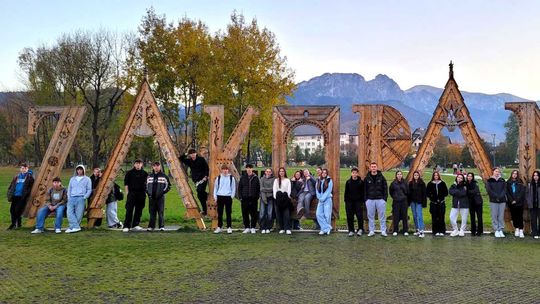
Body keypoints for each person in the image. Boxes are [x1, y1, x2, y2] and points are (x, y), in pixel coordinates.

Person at [181, 148, 210, 216]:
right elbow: (181, 158)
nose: (193, 155)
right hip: (196, 180)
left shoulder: (201, 159)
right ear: (190, 155)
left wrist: (206, 176)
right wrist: (186, 153)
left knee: (200, 191)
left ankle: (207, 197)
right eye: (191, 154)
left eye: (194, 154)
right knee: (200, 196)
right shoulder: (189, 161)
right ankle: (205, 209)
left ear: (196, 153)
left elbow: (206, 168)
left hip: (203, 178)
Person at [123, 159, 148, 232]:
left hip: (141, 194)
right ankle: (126, 226)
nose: (138, 165)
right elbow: (126, 184)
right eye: (136, 163)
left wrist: (146, 193)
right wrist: (127, 193)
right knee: (129, 210)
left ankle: (135, 225)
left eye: (139, 163)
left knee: (139, 210)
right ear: (134, 164)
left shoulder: (145, 173)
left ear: (142, 164)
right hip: (132, 193)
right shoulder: (129, 173)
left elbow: (147, 184)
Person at [7, 163, 34, 230]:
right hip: (15, 195)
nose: (23, 169)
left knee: (17, 210)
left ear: (27, 169)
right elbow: (12, 185)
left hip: (22, 197)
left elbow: (31, 187)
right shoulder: (17, 177)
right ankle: (17, 224)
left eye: (25, 168)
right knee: (12, 210)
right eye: (22, 168)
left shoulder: (30, 177)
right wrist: (9, 193)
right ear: (20, 169)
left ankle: (14, 224)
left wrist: (26, 194)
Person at [65, 165, 92, 233]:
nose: (79, 171)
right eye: (78, 169)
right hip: (72, 198)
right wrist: (69, 197)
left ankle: (72, 227)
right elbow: (69, 188)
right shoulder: (72, 179)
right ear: (76, 170)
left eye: (81, 169)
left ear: (83, 170)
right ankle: (75, 227)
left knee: (79, 214)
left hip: (81, 198)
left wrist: (84, 197)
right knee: (69, 213)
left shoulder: (87, 179)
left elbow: (89, 189)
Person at [364, 162, 388, 237]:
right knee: (370, 216)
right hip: (370, 200)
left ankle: (383, 231)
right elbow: (364, 190)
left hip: (380, 199)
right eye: (372, 167)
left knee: (382, 216)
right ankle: (371, 231)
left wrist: (384, 199)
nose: (373, 168)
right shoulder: (367, 178)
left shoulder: (381, 177)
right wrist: (366, 199)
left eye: (375, 166)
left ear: (377, 168)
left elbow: (385, 188)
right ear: (370, 168)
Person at [146, 162, 171, 231]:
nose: (156, 167)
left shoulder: (164, 176)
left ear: (160, 167)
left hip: (160, 198)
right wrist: (148, 193)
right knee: (152, 212)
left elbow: (168, 186)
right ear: (153, 167)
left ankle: (161, 226)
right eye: (155, 166)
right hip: (151, 198)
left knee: (160, 212)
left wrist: (162, 192)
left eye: (157, 166)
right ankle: (151, 226)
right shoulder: (149, 176)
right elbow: (146, 186)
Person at [213, 164, 236, 234]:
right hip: (220, 196)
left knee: (228, 213)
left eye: (226, 169)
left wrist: (231, 196)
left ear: (228, 170)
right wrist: (215, 197)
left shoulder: (231, 178)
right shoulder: (219, 178)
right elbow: (215, 188)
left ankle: (229, 227)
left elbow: (233, 188)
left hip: (228, 197)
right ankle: (219, 227)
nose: (225, 171)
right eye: (223, 169)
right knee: (220, 213)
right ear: (222, 170)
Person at [238, 164, 260, 234]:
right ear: (246, 169)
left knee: (253, 214)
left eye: (250, 168)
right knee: (245, 213)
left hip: (253, 199)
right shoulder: (243, 177)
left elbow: (258, 188)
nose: (249, 169)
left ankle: (253, 227)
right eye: (247, 168)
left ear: (252, 169)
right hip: (244, 198)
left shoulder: (256, 178)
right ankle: (247, 227)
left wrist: (256, 197)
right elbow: (239, 188)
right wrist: (240, 197)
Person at [486, 167, 507, 238]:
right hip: (493, 200)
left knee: (501, 216)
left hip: (502, 200)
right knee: (494, 216)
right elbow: (489, 190)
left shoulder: (502, 180)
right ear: (493, 172)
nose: (497, 173)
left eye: (498, 171)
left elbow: (504, 189)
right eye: (496, 171)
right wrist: (496, 197)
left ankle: (500, 229)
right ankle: (496, 230)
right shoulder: (489, 180)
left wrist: (500, 196)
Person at [426, 171, 448, 236]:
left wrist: (440, 198)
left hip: (441, 203)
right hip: (433, 203)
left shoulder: (442, 183)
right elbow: (427, 193)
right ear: (433, 176)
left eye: (437, 175)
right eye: (435, 175)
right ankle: (435, 231)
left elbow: (446, 192)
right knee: (434, 217)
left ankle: (442, 231)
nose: (436, 176)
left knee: (441, 217)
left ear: (439, 176)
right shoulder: (430, 183)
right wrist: (432, 197)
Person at [344, 167, 364, 236]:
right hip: (349, 202)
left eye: (356, 173)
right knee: (350, 216)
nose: (354, 174)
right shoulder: (348, 182)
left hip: (358, 202)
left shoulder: (361, 182)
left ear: (357, 174)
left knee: (359, 216)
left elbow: (363, 193)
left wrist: (362, 201)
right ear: (351, 173)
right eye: (353, 173)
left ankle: (360, 229)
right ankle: (351, 230)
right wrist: (346, 201)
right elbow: (346, 193)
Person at [506, 170, 525, 238]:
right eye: (513, 173)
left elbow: (522, 192)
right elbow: (507, 192)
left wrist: (516, 200)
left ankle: (521, 230)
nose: (514, 175)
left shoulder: (520, 182)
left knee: (520, 216)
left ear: (517, 175)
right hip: (511, 203)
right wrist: (511, 200)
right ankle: (516, 228)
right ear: (511, 174)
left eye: (516, 174)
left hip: (519, 203)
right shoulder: (508, 182)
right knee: (514, 216)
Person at [389, 171, 409, 236]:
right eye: (398, 174)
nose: (399, 175)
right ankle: (395, 230)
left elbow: (407, 192)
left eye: (400, 174)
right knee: (396, 216)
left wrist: (404, 197)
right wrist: (395, 197)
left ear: (402, 175)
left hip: (404, 202)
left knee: (404, 216)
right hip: (396, 202)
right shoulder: (393, 183)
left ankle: (405, 230)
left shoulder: (405, 183)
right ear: (396, 175)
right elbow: (391, 192)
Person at [273, 167, 292, 235]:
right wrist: (277, 199)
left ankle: (288, 228)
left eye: (283, 171)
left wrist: (286, 198)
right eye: (280, 171)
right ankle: (282, 228)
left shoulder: (287, 180)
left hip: (285, 199)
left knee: (286, 214)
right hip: (278, 199)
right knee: (279, 214)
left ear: (284, 172)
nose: (281, 172)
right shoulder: (276, 180)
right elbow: (275, 190)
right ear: (279, 172)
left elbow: (288, 190)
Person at [408, 170, 427, 238]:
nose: (416, 176)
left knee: (419, 216)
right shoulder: (411, 183)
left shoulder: (422, 183)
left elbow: (424, 194)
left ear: (419, 176)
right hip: (413, 202)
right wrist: (408, 203)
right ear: (413, 176)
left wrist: (424, 203)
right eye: (415, 175)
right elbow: (409, 194)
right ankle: (417, 230)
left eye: (417, 175)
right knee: (415, 216)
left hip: (419, 202)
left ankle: (422, 231)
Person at [316, 169, 334, 235]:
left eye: (325, 173)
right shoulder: (318, 180)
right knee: (318, 214)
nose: (323, 174)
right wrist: (319, 197)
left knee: (327, 215)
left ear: (327, 174)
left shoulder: (329, 180)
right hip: (320, 200)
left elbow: (329, 190)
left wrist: (323, 198)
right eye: (323, 172)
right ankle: (327, 227)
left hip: (327, 199)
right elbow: (317, 190)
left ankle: (323, 229)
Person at [259, 168, 275, 234]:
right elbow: (261, 189)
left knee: (269, 213)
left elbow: (273, 189)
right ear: (265, 172)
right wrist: (264, 198)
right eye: (267, 171)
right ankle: (262, 227)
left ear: (271, 173)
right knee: (262, 213)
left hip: (270, 198)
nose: (268, 173)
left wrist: (265, 189)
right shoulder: (262, 179)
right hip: (263, 198)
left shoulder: (273, 179)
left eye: (269, 172)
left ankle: (268, 227)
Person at [526, 171, 540, 239]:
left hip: (539, 205)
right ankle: (534, 233)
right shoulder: (530, 185)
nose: (535, 176)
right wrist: (529, 202)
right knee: (533, 220)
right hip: (532, 205)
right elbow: (527, 195)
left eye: (537, 175)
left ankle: (539, 233)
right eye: (534, 175)